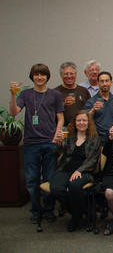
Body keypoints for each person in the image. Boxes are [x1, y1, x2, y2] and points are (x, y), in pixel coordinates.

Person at [9, 64, 64, 224]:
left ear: (47, 76)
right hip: (31, 144)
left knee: (49, 179)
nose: (39, 77)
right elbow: (13, 112)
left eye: (42, 74)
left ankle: (48, 210)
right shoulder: (25, 94)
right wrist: (13, 95)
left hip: (50, 143)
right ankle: (35, 210)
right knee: (32, 180)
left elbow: (60, 118)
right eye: (36, 75)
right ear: (32, 76)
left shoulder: (55, 94)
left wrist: (55, 137)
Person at [50, 110, 101, 232]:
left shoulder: (94, 138)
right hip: (65, 169)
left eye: (84, 120)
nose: (81, 123)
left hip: (85, 171)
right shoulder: (69, 136)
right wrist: (58, 143)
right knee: (55, 189)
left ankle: (75, 218)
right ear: (75, 122)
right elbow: (55, 153)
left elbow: (92, 160)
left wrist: (79, 171)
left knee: (75, 186)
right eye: (79, 120)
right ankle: (83, 209)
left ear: (89, 123)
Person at [84, 71, 113, 145]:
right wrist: (93, 110)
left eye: (107, 81)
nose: (104, 84)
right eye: (102, 81)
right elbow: (86, 120)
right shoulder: (91, 101)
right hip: (97, 139)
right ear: (98, 83)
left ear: (111, 82)